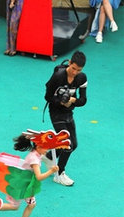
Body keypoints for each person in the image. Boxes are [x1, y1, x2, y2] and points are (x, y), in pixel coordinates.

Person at [44, 51, 87, 186]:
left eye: (78, 70)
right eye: (73, 68)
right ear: (69, 63)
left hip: (68, 113)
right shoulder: (58, 76)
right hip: (56, 112)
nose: (75, 72)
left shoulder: (82, 78)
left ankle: (49, 156)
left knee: (74, 145)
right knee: (67, 144)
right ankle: (59, 174)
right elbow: (47, 97)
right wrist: (60, 102)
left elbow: (83, 100)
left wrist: (73, 101)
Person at [10, 134, 59, 217]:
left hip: (25, 183)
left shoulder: (36, 153)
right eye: (46, 148)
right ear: (38, 147)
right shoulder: (34, 160)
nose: (47, 150)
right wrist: (51, 171)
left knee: (31, 204)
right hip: (23, 185)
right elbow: (39, 177)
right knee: (14, 206)